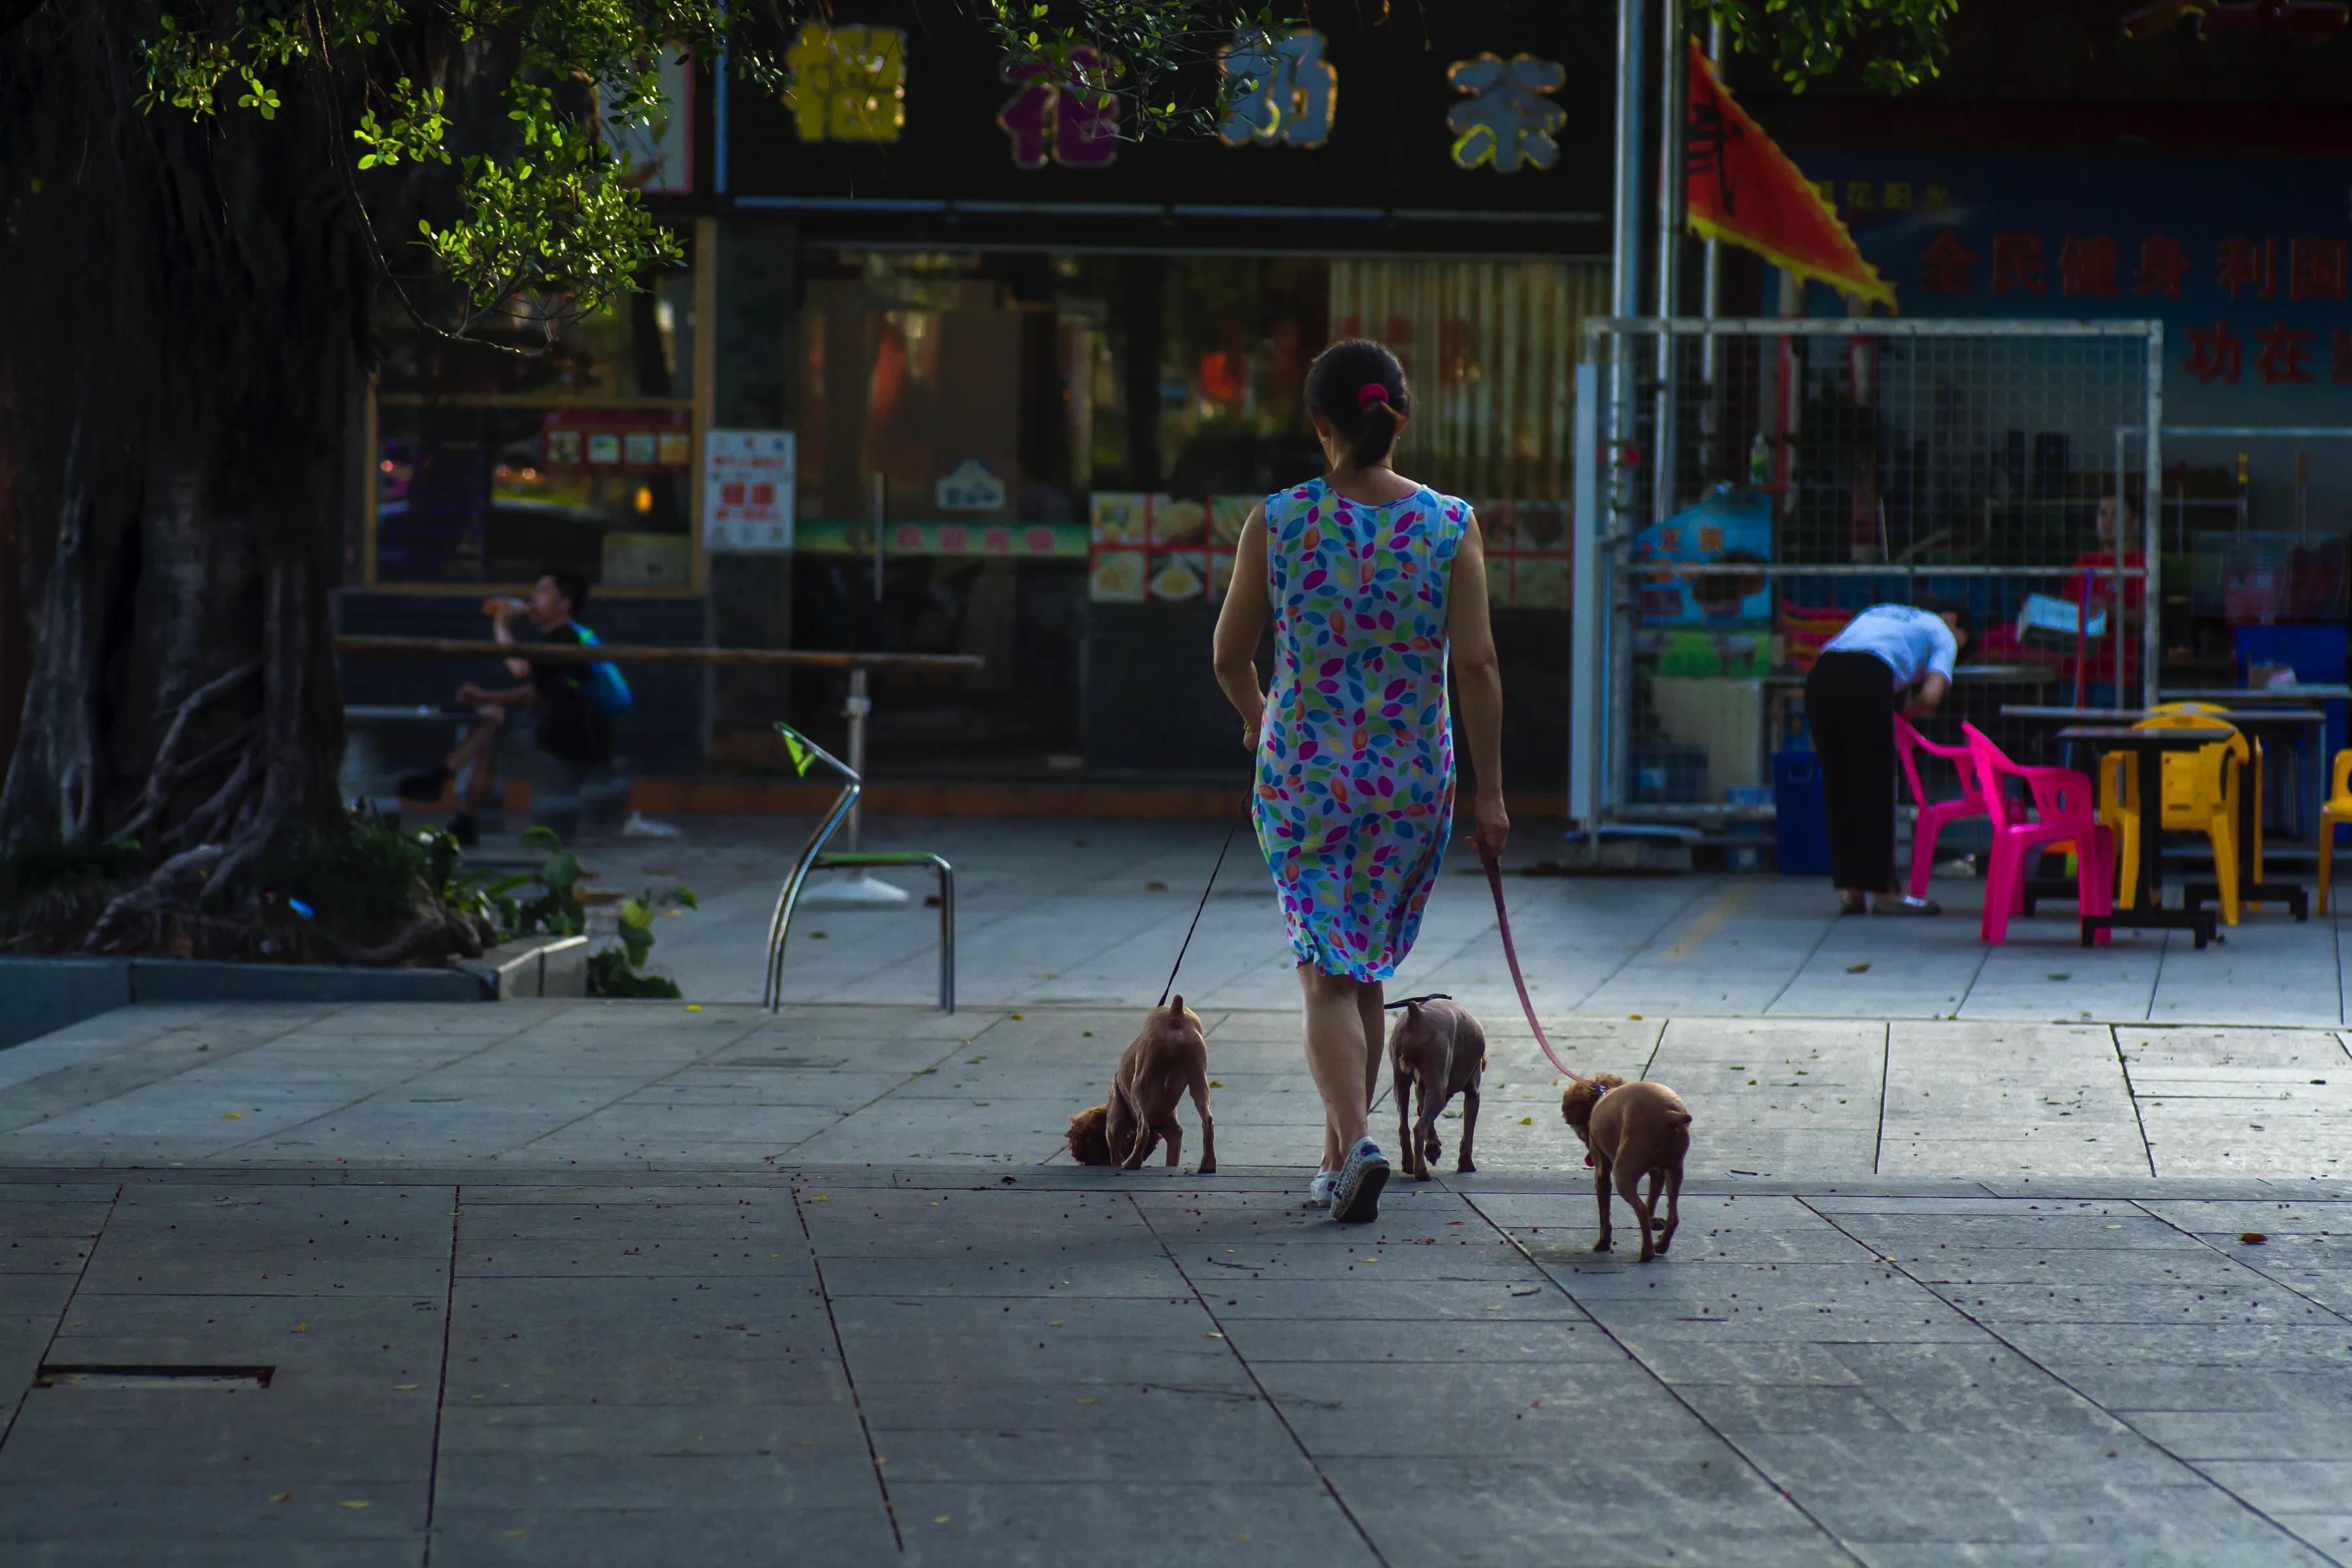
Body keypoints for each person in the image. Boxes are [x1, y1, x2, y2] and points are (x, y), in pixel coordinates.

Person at [1211, 339, 1508, 1224]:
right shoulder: (1449, 522)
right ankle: (1339, 1154)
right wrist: (1491, 793)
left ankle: (1357, 1142)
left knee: (1324, 973)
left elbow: (1229, 655)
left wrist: (1263, 720)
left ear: (1319, 422)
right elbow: (1480, 662)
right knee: (1364, 968)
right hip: (1413, 782)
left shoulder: (1281, 519)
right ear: (1399, 417)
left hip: (1306, 779)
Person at [399, 568, 616, 847]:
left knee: (491, 719)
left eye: (543, 591)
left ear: (565, 604)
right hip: (562, 741)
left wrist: (501, 625)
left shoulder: (565, 638)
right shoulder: (567, 638)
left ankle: (443, 780)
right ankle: (459, 810)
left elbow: (520, 669)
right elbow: (537, 693)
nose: (532, 598)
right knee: (490, 723)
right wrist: (485, 695)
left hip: (564, 747)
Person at [1804, 600, 1974, 915]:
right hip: (1868, 678)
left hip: (1822, 675)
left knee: (1839, 786)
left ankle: (1852, 890)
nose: (1957, 651)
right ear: (1952, 619)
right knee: (1875, 787)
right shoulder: (1943, 632)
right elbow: (1930, 696)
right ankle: (1886, 893)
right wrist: (1907, 711)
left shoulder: (1880, 611)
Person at [2065, 493, 2145, 708]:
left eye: (2117, 514)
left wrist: (2109, 610)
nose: (2107, 521)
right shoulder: (2084, 563)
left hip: (2116, 675)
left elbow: (2147, 617)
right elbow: (2066, 612)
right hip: (2075, 673)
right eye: (2103, 513)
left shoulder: (2143, 564)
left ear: (2135, 524)